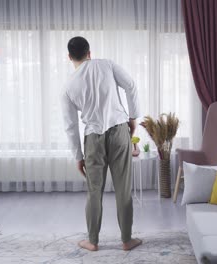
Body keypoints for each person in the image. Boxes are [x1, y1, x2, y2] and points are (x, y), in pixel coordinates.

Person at [61, 36, 142, 252]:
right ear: (90, 52)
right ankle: (127, 240)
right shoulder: (106, 64)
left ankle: (93, 241)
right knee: (123, 189)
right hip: (118, 131)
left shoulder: (68, 86)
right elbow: (131, 86)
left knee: (93, 191)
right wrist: (132, 117)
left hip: (92, 139)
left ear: (69, 57)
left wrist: (78, 157)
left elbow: (70, 127)